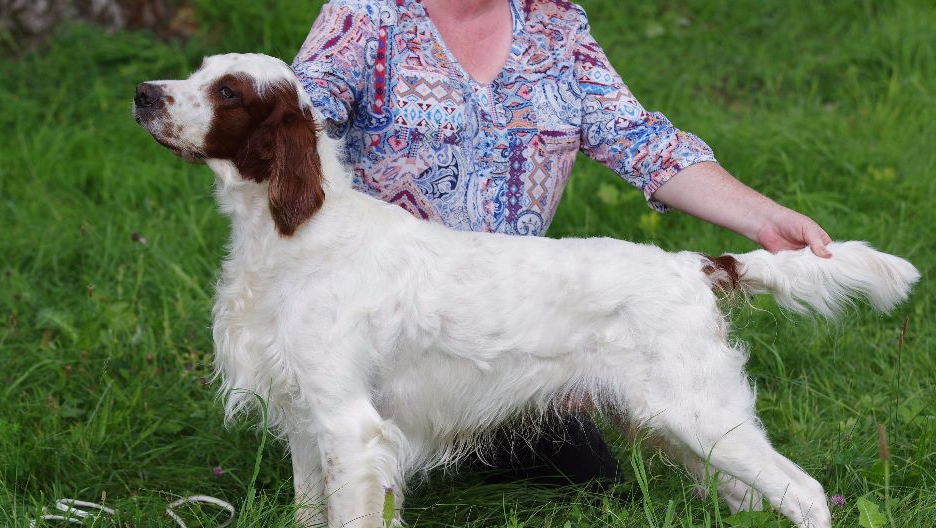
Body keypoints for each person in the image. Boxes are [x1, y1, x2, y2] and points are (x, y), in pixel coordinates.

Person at [292, 0, 832, 485]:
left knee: (594, 486)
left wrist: (765, 219)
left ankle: (457, 446)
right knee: (349, 433)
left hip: (517, 328)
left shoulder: (557, 28)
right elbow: (285, 133)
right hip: (384, 327)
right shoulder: (363, 17)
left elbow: (641, 140)